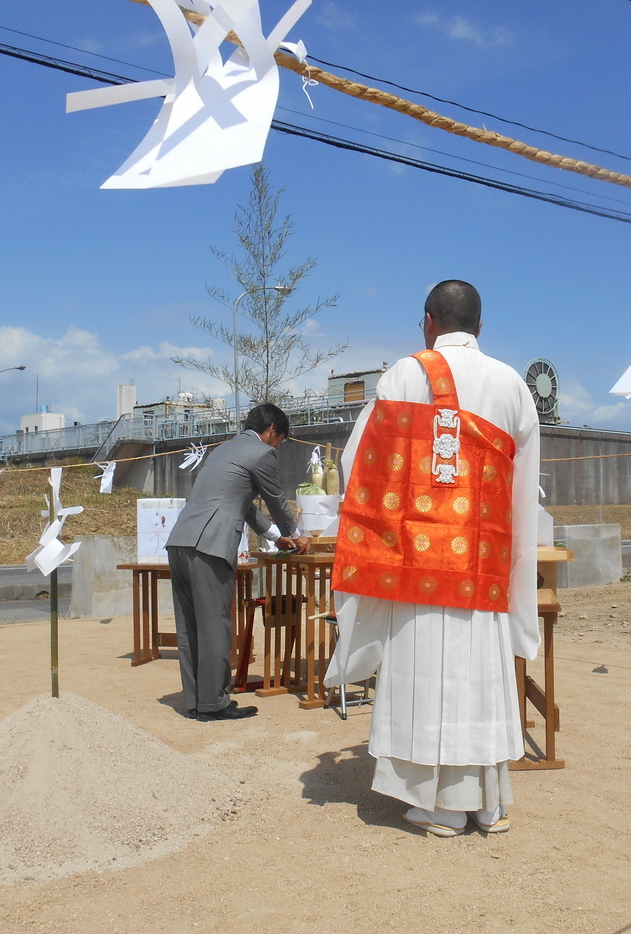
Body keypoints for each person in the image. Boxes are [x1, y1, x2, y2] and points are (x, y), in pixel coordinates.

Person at [327, 279, 541, 836]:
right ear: (480, 326)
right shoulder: (513, 384)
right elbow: (524, 493)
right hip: (485, 568)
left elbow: (360, 467)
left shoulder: (405, 374)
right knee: (482, 677)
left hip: (420, 566)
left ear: (427, 322)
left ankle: (441, 805)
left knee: (429, 678)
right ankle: (489, 804)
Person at [167, 402, 309, 721]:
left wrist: (274, 536)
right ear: (272, 431)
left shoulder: (223, 451)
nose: (278, 447)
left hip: (180, 541)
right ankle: (215, 703)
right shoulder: (262, 453)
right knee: (216, 624)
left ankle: (196, 701)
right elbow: (275, 498)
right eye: (281, 440)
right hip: (210, 545)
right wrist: (296, 535)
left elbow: (243, 504)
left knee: (190, 626)